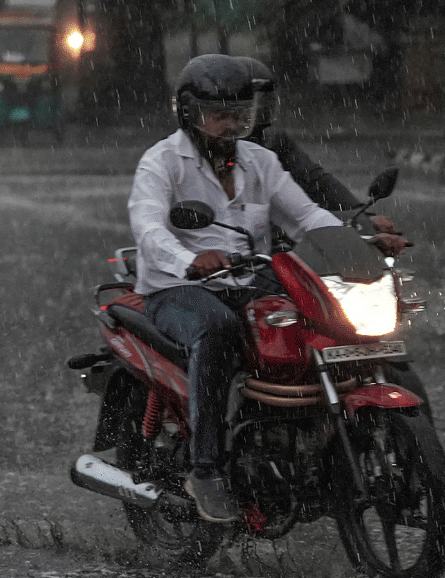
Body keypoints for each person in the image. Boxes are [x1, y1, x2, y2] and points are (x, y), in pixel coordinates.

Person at [128, 54, 409, 523]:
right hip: (177, 288)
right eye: (220, 114)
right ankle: (207, 468)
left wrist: (354, 242)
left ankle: (302, 434)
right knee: (216, 331)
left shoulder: (261, 161)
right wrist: (190, 259)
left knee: (322, 312)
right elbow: (149, 229)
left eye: (241, 113)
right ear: (189, 113)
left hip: (250, 276)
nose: (231, 123)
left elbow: (306, 215)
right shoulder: (161, 163)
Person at [238, 55, 429, 412]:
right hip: (247, 258)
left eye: (264, 101)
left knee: (342, 318)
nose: (257, 111)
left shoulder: (274, 144)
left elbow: (317, 183)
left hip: (298, 246)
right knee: (251, 335)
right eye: (251, 101)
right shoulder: (204, 151)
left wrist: (364, 218)